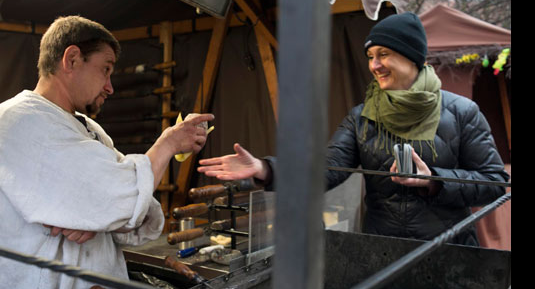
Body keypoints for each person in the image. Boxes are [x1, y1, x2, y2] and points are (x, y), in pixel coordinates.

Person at [0, 15, 214, 289]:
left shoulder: (89, 128)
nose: (110, 86)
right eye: (106, 69)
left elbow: (131, 207)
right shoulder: (16, 118)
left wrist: (96, 215)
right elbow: (116, 197)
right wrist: (166, 145)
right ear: (71, 59)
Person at [198, 12, 509, 247]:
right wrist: (267, 169)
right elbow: (327, 168)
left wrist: (434, 181)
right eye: (371, 57)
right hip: (380, 252)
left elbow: (495, 183)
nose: (374, 65)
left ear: (414, 58)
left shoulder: (462, 112)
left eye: (384, 54)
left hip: (450, 251)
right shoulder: (362, 117)